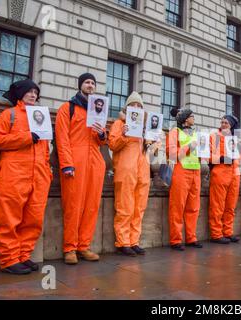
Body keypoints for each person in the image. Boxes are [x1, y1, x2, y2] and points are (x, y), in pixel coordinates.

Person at [0, 79, 52, 274]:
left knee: (33, 218)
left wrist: (47, 172)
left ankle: (23, 256)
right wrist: (26, 137)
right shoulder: (8, 115)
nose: (34, 95)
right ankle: (9, 260)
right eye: (30, 92)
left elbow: (44, 151)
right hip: (14, 174)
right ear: (21, 94)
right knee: (9, 217)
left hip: (38, 175)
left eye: (36, 92)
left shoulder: (40, 116)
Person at [55, 73, 107, 265]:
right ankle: (70, 248)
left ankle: (83, 246)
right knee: (73, 206)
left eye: (93, 83)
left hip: (95, 161)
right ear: (80, 85)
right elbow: (62, 139)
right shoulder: (67, 108)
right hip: (75, 161)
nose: (90, 85)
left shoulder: (99, 109)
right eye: (87, 82)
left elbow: (102, 142)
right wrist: (67, 163)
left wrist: (102, 134)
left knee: (91, 206)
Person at [109, 92, 159, 256]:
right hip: (126, 170)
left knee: (139, 207)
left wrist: (153, 143)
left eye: (139, 106)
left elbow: (151, 152)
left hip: (142, 171)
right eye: (133, 105)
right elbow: (112, 145)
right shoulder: (119, 123)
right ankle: (123, 242)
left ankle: (133, 241)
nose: (136, 108)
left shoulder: (145, 128)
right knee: (125, 207)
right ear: (127, 107)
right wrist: (124, 134)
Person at [166, 107, 202, 251]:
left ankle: (191, 238)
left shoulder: (196, 133)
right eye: (192, 116)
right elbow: (172, 154)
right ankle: (175, 240)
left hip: (196, 171)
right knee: (177, 207)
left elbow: (199, 153)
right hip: (181, 171)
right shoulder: (175, 132)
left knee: (193, 208)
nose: (194, 118)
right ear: (186, 119)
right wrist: (189, 147)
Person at [208, 115, 241, 244]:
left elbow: (239, 157)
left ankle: (228, 232)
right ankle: (216, 234)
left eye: (226, 123)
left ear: (231, 125)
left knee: (230, 206)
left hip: (234, 173)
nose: (223, 124)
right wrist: (221, 159)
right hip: (220, 172)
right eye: (222, 122)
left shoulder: (235, 139)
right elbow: (208, 156)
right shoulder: (214, 136)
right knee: (217, 206)